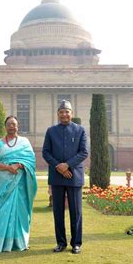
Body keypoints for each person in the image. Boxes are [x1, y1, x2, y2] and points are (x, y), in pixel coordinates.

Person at [42, 100, 88, 254]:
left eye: (67, 111)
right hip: (57, 176)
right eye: (61, 112)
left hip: (74, 177)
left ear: (71, 113)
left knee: (76, 212)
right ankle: (61, 243)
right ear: (58, 114)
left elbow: (83, 152)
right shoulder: (51, 131)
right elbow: (46, 152)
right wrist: (59, 167)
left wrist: (67, 165)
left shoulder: (80, 130)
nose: (64, 114)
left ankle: (76, 243)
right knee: (58, 212)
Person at [0, 116, 38, 252]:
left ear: (18, 126)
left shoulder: (24, 142)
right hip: (4, 182)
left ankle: (20, 243)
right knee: (3, 211)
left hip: (21, 182)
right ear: (5, 126)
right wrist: (8, 167)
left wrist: (19, 164)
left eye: (14, 124)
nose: (12, 126)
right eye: (9, 124)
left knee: (20, 211)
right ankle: (1, 243)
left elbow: (31, 161)